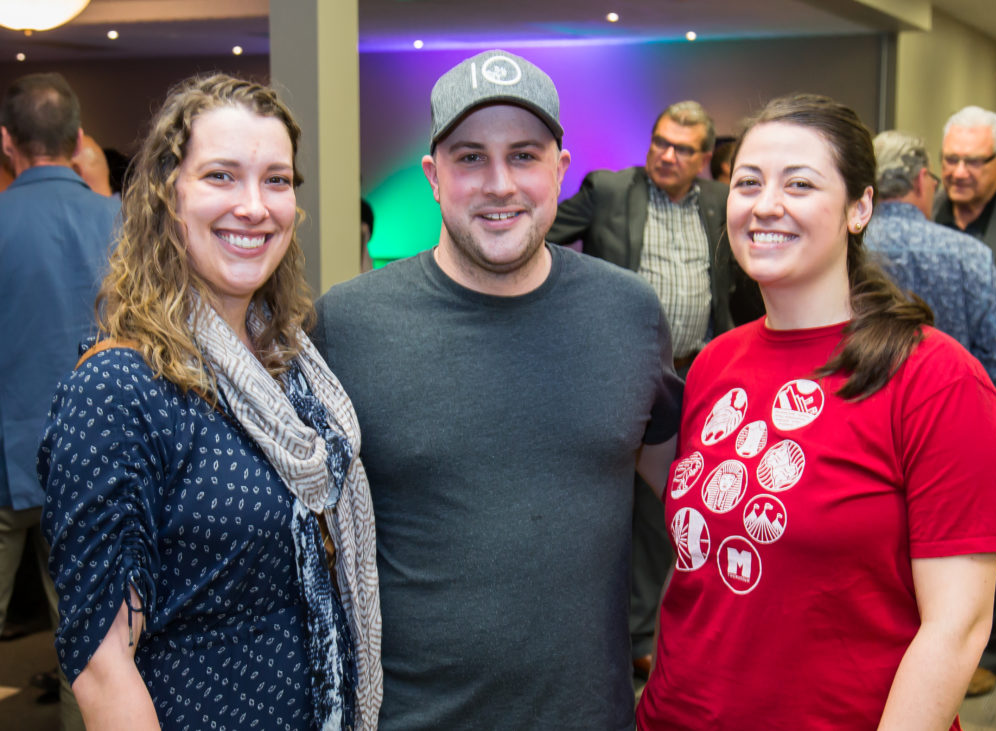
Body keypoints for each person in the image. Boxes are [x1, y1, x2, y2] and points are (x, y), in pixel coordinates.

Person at [312, 49, 682, 730]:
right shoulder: (348, 323)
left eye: (524, 155)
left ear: (561, 170)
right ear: (433, 175)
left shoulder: (629, 314)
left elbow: (689, 502)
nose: (499, 183)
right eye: (470, 157)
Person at [637, 93, 996, 730]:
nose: (765, 205)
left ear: (859, 208)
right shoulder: (714, 364)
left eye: (800, 184)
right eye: (747, 182)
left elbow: (959, 627)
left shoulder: (934, 377)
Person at [37, 73, 382, 730]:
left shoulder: (296, 368)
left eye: (276, 180)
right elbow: (103, 665)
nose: (254, 206)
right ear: (168, 196)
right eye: (221, 176)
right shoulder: (119, 389)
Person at [547, 100, 760, 676]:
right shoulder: (610, 190)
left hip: (704, 376)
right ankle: (636, 636)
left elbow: (742, 282)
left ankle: (701, 624)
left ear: (706, 158)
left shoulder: (720, 204)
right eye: (660, 142)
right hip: (625, 375)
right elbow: (539, 233)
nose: (666, 155)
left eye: (682, 148)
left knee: (703, 498)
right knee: (634, 504)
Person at [0, 71, 119, 728]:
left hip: (6, 457)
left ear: (6, 143)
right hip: (96, 468)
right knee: (93, 648)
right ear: (79, 140)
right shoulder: (125, 222)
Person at [934, 104, 996, 695]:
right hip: (942, 401)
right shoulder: (930, 211)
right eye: (951, 160)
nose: (959, 172)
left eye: (973, 161)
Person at [866, 130, 996, 434]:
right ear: (920, 180)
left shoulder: (842, 248)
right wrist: (976, 434)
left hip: (860, 438)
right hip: (951, 433)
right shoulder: (969, 254)